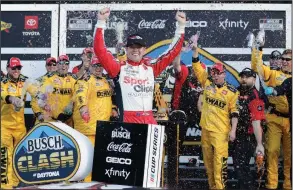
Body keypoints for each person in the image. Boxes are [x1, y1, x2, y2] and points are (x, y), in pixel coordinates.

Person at [93, 7, 186, 124]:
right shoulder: (119, 68)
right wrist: (101, 22)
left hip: (149, 119)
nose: (135, 50)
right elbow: (99, 50)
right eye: (132, 47)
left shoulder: (151, 68)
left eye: (139, 47)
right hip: (128, 121)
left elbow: (172, 52)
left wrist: (181, 27)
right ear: (126, 49)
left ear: (144, 49)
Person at [192, 47, 239, 189]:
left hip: (221, 132)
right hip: (206, 129)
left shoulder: (232, 91)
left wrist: (233, 131)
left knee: (220, 164)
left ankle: (220, 188)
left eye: (218, 74)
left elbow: (235, 112)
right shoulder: (206, 84)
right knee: (208, 164)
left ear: (224, 74)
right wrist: (195, 50)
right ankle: (212, 187)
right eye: (213, 73)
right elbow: (197, 67)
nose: (216, 76)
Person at [251, 32, 292, 189]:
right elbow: (257, 66)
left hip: (290, 120)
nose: (284, 62)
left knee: (289, 156)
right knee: (272, 151)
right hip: (274, 117)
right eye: (283, 59)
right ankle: (271, 185)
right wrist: (258, 48)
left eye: (288, 60)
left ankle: (289, 186)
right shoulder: (274, 73)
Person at [73, 56, 112, 182]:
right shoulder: (85, 79)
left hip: (102, 127)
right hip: (88, 127)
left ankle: (95, 183)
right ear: (90, 67)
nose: (98, 69)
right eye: (95, 66)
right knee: (88, 160)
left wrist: (114, 108)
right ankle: (86, 184)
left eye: (100, 66)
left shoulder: (106, 81)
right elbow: (80, 94)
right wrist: (83, 108)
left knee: (99, 160)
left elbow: (109, 98)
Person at [1, 57, 38, 188]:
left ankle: (15, 184)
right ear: (8, 68)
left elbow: (35, 92)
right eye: (14, 68)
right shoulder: (2, 82)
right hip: (4, 126)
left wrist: (43, 97)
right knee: (5, 156)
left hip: (20, 126)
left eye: (18, 68)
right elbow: (4, 95)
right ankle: (5, 186)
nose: (16, 70)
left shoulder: (24, 80)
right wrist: (13, 100)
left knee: (19, 156)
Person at [232, 68, 266, 189]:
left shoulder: (255, 95)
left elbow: (257, 122)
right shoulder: (236, 91)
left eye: (247, 77)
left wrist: (259, 143)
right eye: (242, 77)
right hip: (236, 134)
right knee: (239, 167)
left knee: (242, 168)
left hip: (248, 136)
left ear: (254, 79)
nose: (244, 79)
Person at [36, 55, 77, 126]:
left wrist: (71, 104)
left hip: (67, 120)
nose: (63, 66)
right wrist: (55, 113)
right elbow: (40, 97)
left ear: (68, 65)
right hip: (51, 120)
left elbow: (77, 96)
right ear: (57, 65)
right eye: (61, 63)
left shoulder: (73, 80)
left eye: (66, 63)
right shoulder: (49, 79)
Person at [31, 57, 57, 124]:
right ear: (46, 66)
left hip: (58, 120)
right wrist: (38, 114)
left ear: (57, 66)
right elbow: (34, 101)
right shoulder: (38, 81)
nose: (51, 66)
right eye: (49, 64)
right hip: (43, 119)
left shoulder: (62, 80)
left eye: (54, 64)